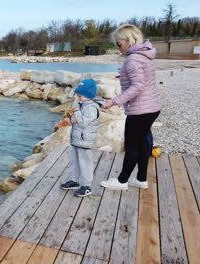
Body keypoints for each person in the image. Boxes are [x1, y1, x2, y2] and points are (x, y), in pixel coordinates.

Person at [100, 24, 161, 190]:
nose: (117, 47)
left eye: (118, 44)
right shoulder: (144, 56)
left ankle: (121, 181)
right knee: (141, 144)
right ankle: (141, 179)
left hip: (141, 111)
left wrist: (114, 101)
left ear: (129, 41)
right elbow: (142, 81)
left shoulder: (133, 60)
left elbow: (138, 86)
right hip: (151, 108)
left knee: (132, 145)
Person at [60, 79, 105, 197]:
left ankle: (86, 186)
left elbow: (84, 122)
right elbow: (76, 119)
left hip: (85, 141)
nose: (78, 98)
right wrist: (72, 118)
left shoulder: (92, 107)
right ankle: (74, 180)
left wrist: (77, 112)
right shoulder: (82, 104)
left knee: (85, 163)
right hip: (77, 140)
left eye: (80, 96)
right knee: (74, 161)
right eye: (78, 95)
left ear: (88, 95)